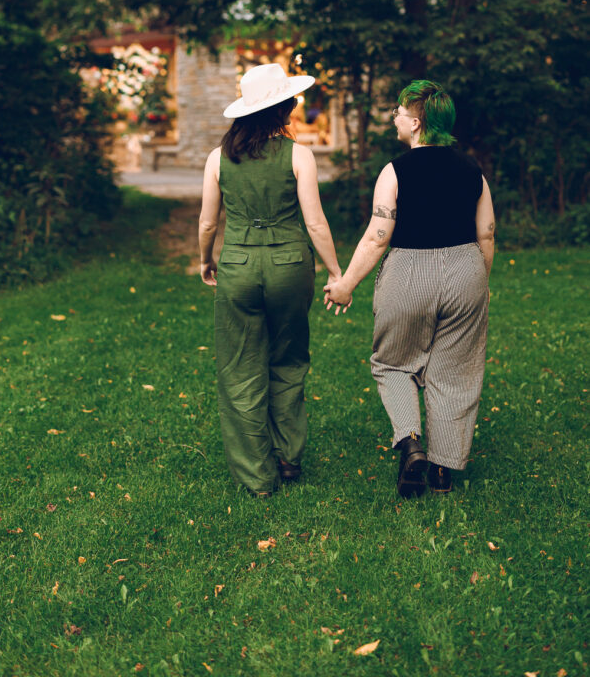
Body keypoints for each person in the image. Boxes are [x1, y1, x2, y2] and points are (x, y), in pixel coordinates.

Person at [325, 80, 495, 497]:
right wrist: (481, 284)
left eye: (399, 112)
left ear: (416, 123)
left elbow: (378, 236)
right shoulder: (474, 171)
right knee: (455, 373)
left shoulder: (395, 170)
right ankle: (442, 471)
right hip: (465, 270)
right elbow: (487, 234)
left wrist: (346, 283)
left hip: (409, 270)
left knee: (393, 363)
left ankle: (411, 443)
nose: (395, 118)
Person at [199, 62, 342, 497]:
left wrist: (206, 260)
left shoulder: (219, 158)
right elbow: (315, 223)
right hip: (289, 267)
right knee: (288, 359)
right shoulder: (298, 154)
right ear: (281, 109)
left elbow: (208, 223)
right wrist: (336, 271)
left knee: (240, 368)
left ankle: (258, 478)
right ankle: (287, 457)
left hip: (238, 266)